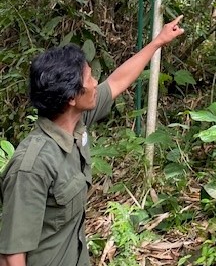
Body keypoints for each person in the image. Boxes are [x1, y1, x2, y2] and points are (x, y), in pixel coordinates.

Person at [0, 15, 184, 266]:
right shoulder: (32, 166)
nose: (96, 82)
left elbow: (117, 81)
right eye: (89, 78)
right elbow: (11, 255)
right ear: (71, 97)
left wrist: (158, 42)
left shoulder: (76, 122)